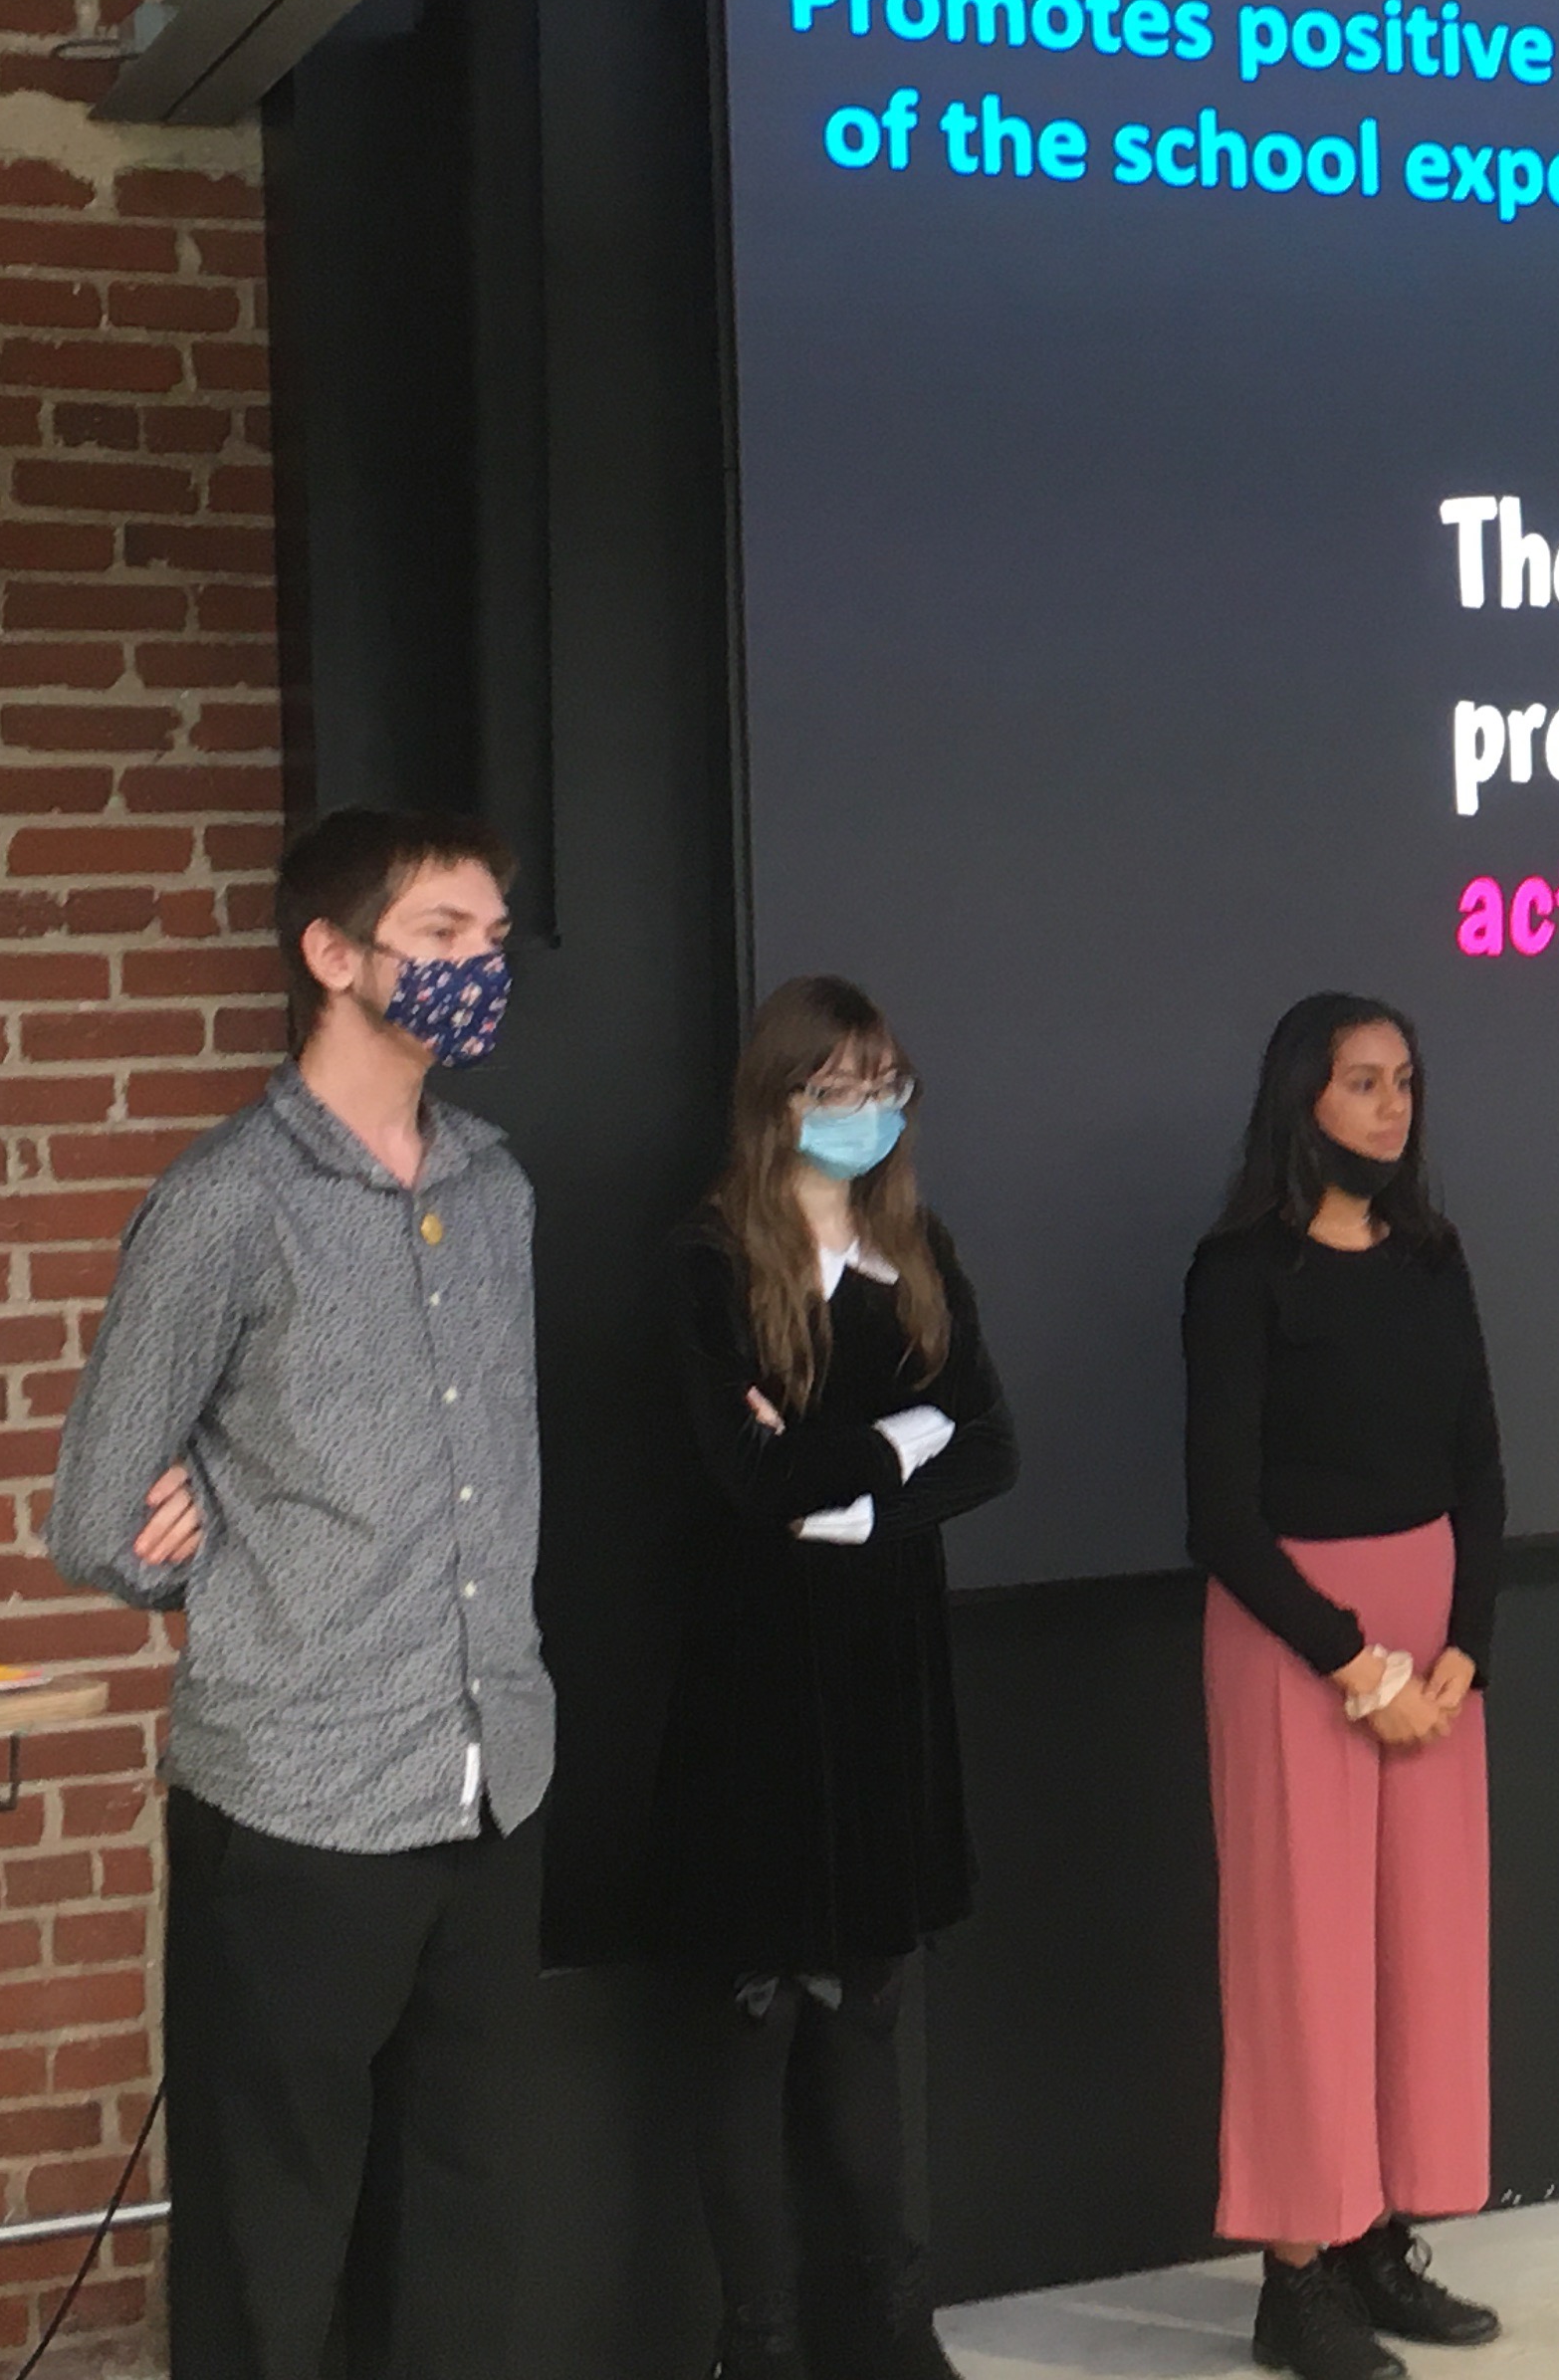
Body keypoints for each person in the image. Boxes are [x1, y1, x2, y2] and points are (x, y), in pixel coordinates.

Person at [48, 806, 547, 2380]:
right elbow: (95, 1514)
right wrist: (204, 1536)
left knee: (456, 2237)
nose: (480, 967)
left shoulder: (496, 1187)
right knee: (272, 2252)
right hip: (298, 1804)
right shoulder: (227, 1201)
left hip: (490, 1781)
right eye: (443, 936)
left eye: (493, 938)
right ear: (333, 954)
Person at [654, 976, 1017, 2378]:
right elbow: (748, 1479)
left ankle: (892, 2332)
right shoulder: (709, 1261)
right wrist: (905, 1436)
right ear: (779, 1096)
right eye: (838, 1087)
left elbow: (995, 1445)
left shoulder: (917, 1251)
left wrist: (857, 1489)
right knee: (749, 2032)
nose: (867, 1111)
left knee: (867, 2019)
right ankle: (758, 2344)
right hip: (752, 1697)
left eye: (885, 1086)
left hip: (883, 1689)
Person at [1188, 993, 1508, 2379]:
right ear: (1300, 1100)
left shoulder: (1432, 1258)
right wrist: (1355, 1666)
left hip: (1429, 1645)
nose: (1392, 1106)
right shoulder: (1239, 1273)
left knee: (1418, 1950)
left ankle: (1380, 2235)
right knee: (1303, 1957)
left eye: (1405, 1082)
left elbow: (1480, 1466)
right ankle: (1296, 2274)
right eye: (1364, 1082)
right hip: (1295, 1642)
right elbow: (1221, 1515)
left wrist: (1462, 1651)